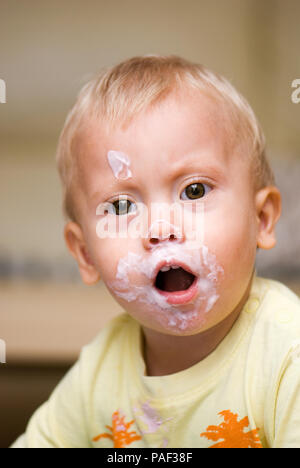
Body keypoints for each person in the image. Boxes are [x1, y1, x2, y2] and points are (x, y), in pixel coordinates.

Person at [12, 55, 300, 448]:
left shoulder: (287, 353)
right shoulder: (100, 370)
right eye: (121, 207)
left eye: (194, 191)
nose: (160, 229)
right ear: (85, 255)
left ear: (262, 218)